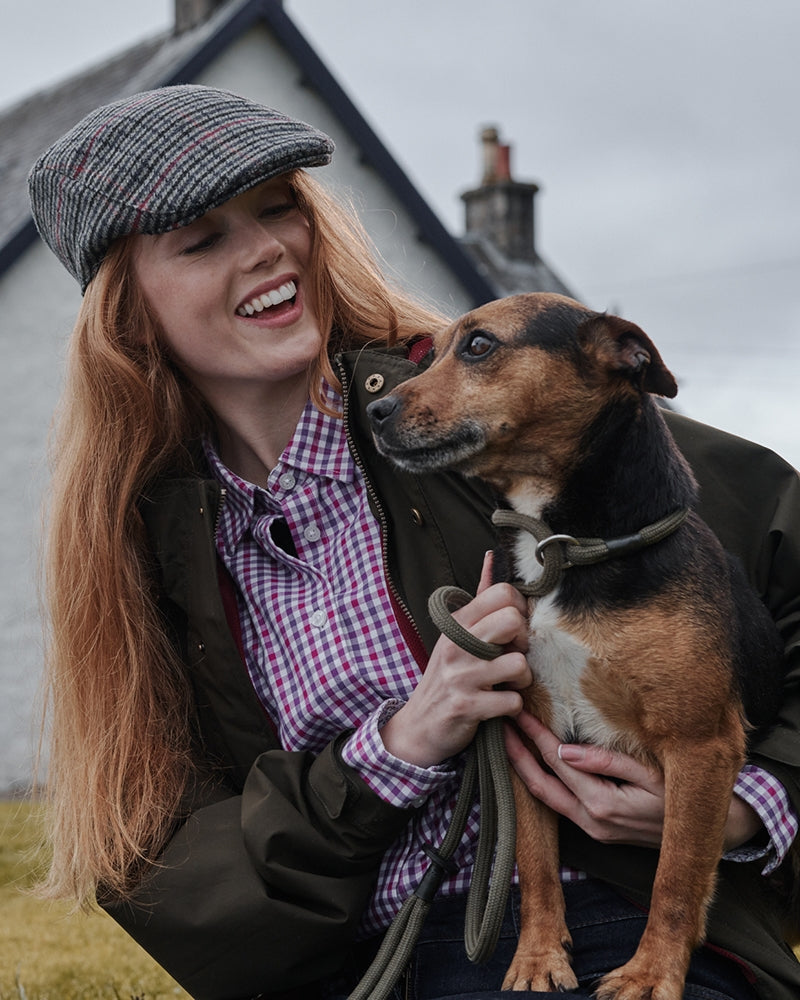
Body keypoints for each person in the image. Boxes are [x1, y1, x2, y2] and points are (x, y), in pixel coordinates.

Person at [27, 84, 800, 1000]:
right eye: (202, 239)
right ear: (128, 311)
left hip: (610, 924)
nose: (268, 248)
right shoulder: (143, 548)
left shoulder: (499, 415)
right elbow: (163, 869)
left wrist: (753, 807)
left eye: (279, 209)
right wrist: (393, 748)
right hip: (375, 965)